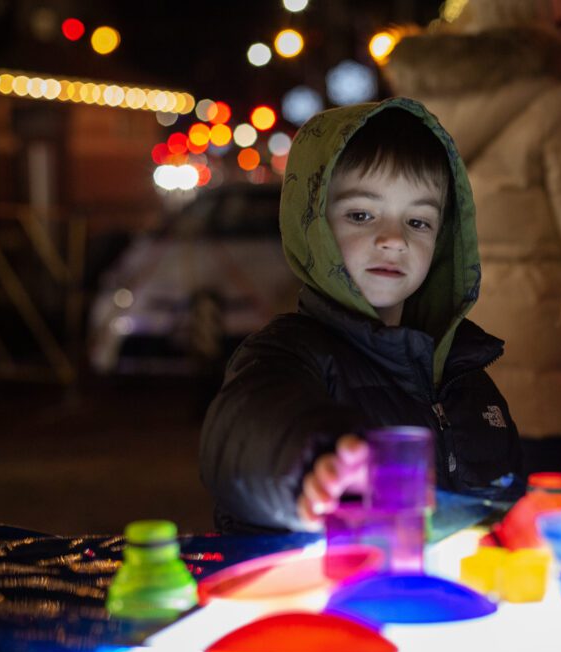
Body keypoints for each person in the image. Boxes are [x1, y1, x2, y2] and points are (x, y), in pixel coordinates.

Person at [199, 98, 522, 533]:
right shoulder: (287, 353)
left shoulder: (469, 378)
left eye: (419, 221)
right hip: (324, 595)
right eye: (362, 214)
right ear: (313, 223)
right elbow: (241, 432)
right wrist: (317, 461)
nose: (393, 240)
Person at [382, 0, 561, 479]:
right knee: (544, 534)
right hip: (545, 369)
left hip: (444, 363)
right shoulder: (560, 104)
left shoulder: (421, 105)